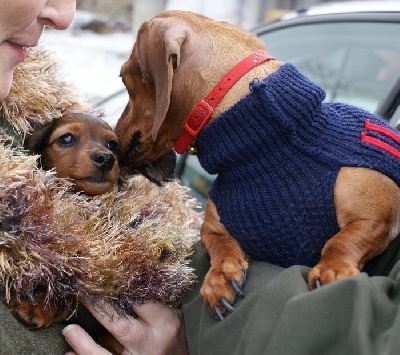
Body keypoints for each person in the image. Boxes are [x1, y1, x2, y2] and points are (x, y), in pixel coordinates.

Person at [0, 1, 188, 354]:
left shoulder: (136, 230)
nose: (102, 156)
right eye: (67, 140)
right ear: (35, 155)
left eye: (111, 149)